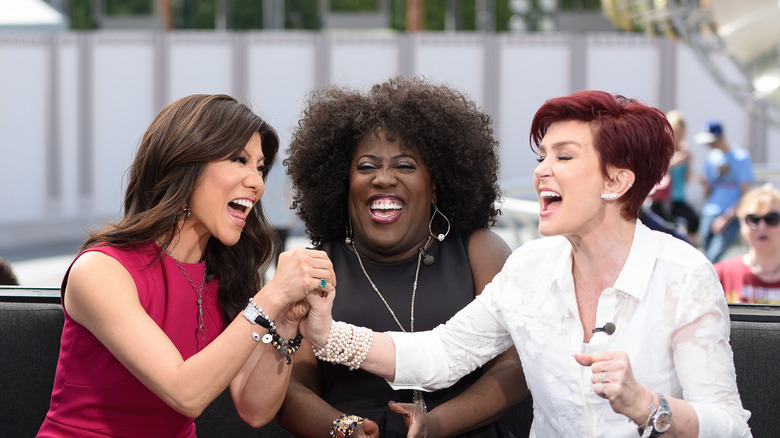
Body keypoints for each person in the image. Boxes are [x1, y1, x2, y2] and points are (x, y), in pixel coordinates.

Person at [301, 90, 752, 437]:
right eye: (542, 157)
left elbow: (731, 426)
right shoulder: (529, 268)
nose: (541, 171)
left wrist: (650, 406)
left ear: (616, 180)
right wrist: (327, 335)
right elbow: (439, 355)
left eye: (564, 156)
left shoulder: (684, 273)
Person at [37, 94, 335, 437]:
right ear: (184, 163)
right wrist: (272, 296)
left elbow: (255, 410)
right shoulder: (101, 270)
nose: (257, 182)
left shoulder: (225, 276)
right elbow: (185, 392)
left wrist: (284, 322)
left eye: (260, 167)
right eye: (239, 159)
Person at [273, 76, 528, 438]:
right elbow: (291, 386)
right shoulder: (314, 266)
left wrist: (438, 424)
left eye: (405, 166)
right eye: (366, 167)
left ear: (436, 186)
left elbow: (515, 368)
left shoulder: (479, 250)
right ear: (341, 184)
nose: (384, 178)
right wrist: (341, 428)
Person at [695, 119, 754, 262]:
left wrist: (727, 217)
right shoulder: (711, 158)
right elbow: (708, 191)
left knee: (714, 258)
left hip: (730, 215)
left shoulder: (741, 156)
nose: (709, 145)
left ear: (721, 137)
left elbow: (745, 192)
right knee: (703, 258)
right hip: (709, 213)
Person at [715, 183, 780, 304]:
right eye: (753, 219)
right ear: (742, 224)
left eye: (771, 219)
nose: (762, 227)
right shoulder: (720, 274)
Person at [649, 110, 700, 242]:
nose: (678, 137)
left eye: (681, 134)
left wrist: (689, 162)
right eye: (676, 133)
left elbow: (687, 180)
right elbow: (654, 173)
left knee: (693, 221)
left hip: (678, 198)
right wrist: (673, 163)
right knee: (665, 229)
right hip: (662, 200)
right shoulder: (661, 149)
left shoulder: (684, 151)